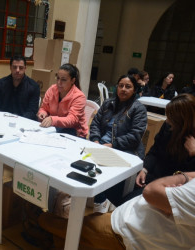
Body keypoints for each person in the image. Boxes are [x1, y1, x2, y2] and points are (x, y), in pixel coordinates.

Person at [39, 171, 195, 249]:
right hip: (129, 221)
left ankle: (36, 219)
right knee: (68, 233)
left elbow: (151, 192)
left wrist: (183, 177)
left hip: (126, 233)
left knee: (49, 223)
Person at [89, 75, 147, 210]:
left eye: (128, 86)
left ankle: (103, 201)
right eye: (121, 85)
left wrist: (112, 145)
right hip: (101, 146)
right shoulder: (108, 103)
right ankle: (92, 196)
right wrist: (95, 140)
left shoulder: (138, 109)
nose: (123, 89)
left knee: (104, 172)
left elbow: (135, 136)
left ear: (134, 89)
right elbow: (95, 124)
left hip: (124, 149)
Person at [132, 94, 195, 197]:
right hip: (155, 176)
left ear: (183, 121)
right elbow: (155, 151)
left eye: (171, 118)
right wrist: (145, 169)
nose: (167, 120)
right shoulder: (167, 126)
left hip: (176, 187)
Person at [37, 63, 88, 138]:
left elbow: (72, 120)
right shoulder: (52, 89)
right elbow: (44, 108)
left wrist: (52, 119)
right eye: (58, 78)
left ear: (72, 81)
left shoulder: (79, 96)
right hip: (55, 127)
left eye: (63, 80)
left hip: (75, 132)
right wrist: (42, 113)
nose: (59, 82)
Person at [0, 55, 40, 120]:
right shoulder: (0, 84)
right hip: (3, 121)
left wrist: (17, 120)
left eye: (21, 68)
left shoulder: (34, 86)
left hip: (24, 122)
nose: (17, 70)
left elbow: (32, 111)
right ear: (10, 68)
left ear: (25, 68)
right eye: (14, 67)